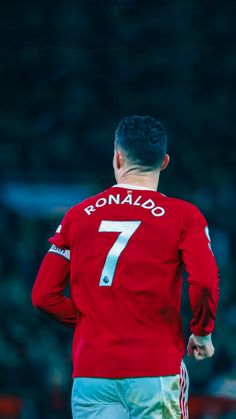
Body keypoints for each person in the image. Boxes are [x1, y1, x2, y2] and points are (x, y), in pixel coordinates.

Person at [32, 115, 219, 418]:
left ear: (118, 157)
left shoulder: (77, 216)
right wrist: (202, 333)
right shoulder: (184, 216)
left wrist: (96, 320)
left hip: (92, 373)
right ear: (164, 162)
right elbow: (205, 281)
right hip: (155, 369)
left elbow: (43, 295)